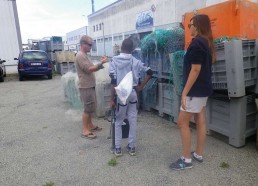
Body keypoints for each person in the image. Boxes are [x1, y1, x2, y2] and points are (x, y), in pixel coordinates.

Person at [170, 14, 215, 170]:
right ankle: (198, 153)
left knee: (182, 122)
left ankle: (186, 159)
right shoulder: (207, 42)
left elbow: (195, 69)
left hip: (194, 91)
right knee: (200, 121)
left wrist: (184, 93)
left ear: (199, 25)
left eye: (191, 25)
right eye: (188, 25)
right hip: (203, 90)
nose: (189, 28)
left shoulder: (196, 44)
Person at [109, 38, 153, 156]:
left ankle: (117, 148)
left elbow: (113, 82)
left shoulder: (113, 61)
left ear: (121, 47)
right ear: (132, 50)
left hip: (121, 94)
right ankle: (131, 147)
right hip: (133, 93)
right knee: (132, 120)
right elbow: (150, 72)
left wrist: (111, 99)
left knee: (119, 121)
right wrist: (141, 86)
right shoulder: (136, 61)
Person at [75, 35, 108, 139]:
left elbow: (92, 67)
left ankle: (90, 125)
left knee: (90, 107)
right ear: (83, 44)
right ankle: (85, 130)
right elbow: (89, 69)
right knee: (87, 108)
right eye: (89, 44)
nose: (91, 46)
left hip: (89, 85)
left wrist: (100, 64)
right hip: (86, 86)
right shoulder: (80, 55)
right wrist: (101, 63)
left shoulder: (85, 55)